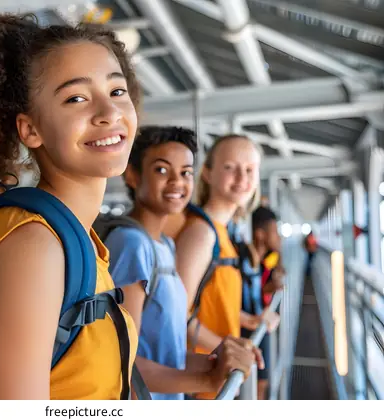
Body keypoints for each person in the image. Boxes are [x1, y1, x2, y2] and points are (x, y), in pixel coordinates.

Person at [0, 13, 142, 399]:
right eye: (76, 98)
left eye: (117, 91)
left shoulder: (78, 242)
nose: (109, 113)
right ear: (30, 130)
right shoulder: (34, 248)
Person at [103, 127, 259, 400]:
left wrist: (220, 358)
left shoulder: (165, 245)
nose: (177, 182)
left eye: (186, 172)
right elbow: (120, 361)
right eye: (162, 170)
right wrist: (205, 379)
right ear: (132, 175)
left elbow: (169, 353)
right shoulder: (131, 244)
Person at [172, 134, 264, 400]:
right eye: (230, 167)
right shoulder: (201, 233)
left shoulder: (223, 232)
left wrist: (246, 319)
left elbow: (210, 299)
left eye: (250, 169)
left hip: (214, 380)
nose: (242, 177)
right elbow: (177, 316)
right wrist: (227, 350)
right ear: (208, 174)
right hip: (195, 382)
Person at [236, 206, 285, 400]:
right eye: (275, 231)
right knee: (255, 386)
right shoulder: (243, 259)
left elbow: (254, 292)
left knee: (261, 384)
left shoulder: (259, 260)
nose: (279, 237)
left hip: (256, 328)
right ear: (260, 234)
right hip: (245, 332)